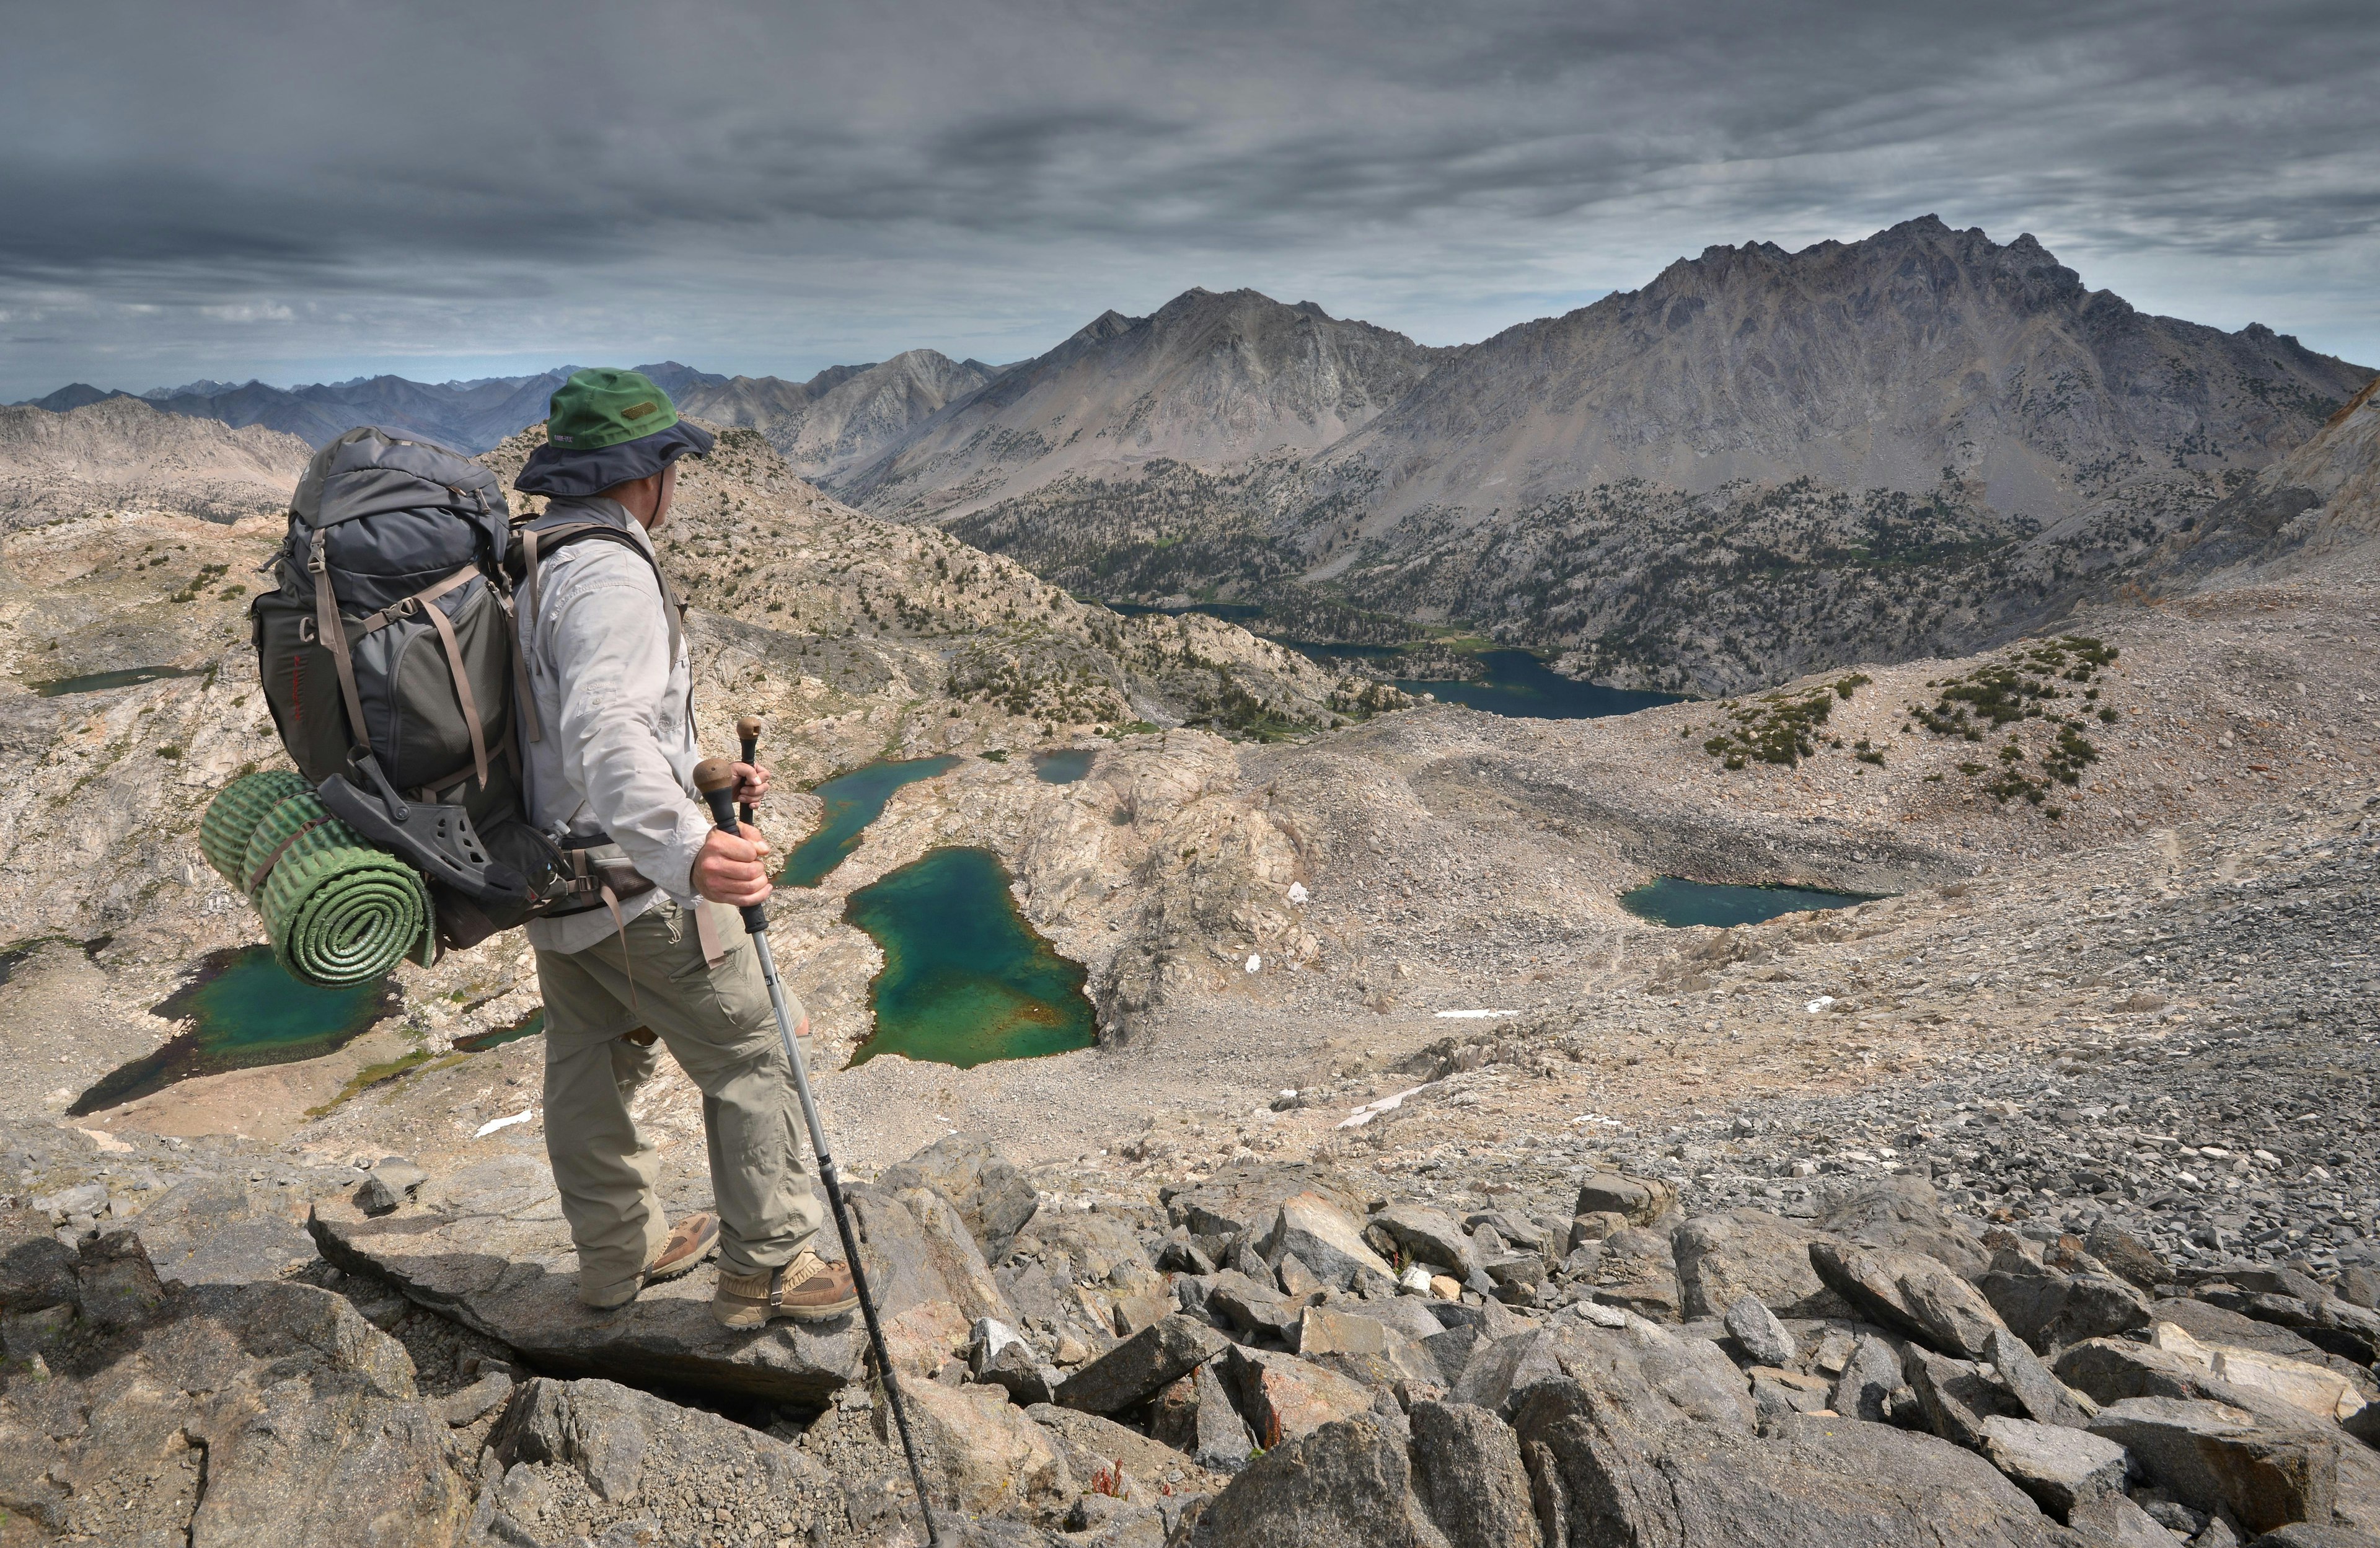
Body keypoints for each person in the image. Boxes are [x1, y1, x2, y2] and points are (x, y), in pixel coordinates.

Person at [511, 368, 857, 1326]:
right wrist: (689, 851)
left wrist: (701, 771)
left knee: (589, 1061)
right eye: (670, 462)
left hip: (559, 885)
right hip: (635, 886)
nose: (676, 481)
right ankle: (768, 1267)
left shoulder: (537, 556)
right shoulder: (613, 575)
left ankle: (615, 1261)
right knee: (752, 1048)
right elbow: (605, 734)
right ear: (642, 473)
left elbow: (565, 729)